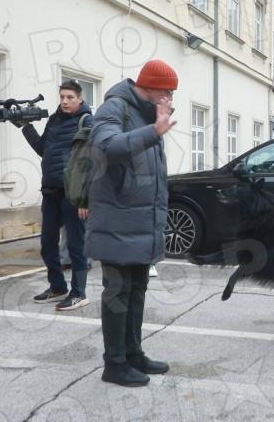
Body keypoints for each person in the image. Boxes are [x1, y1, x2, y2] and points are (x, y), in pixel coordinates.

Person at [85, 59, 177, 387]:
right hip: (116, 220)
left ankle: (133, 354)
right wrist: (153, 131)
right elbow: (107, 147)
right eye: (167, 92)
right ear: (149, 87)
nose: (170, 99)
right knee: (117, 292)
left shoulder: (146, 114)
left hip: (139, 222)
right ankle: (115, 363)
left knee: (137, 289)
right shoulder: (115, 108)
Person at [21, 80, 92, 311]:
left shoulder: (86, 121)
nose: (65, 101)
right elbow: (43, 149)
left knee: (76, 245)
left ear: (79, 99)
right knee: (47, 244)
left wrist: (85, 198)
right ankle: (58, 286)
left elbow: (92, 161)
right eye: (62, 97)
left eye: (70, 97)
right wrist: (25, 127)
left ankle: (79, 293)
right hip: (50, 191)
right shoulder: (54, 120)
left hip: (74, 193)